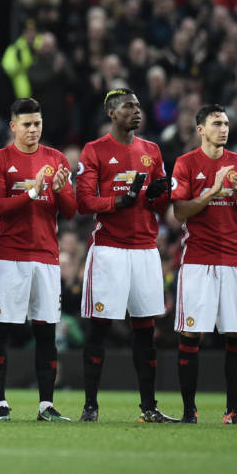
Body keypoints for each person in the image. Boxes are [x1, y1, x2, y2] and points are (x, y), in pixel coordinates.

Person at [76, 88, 177, 423]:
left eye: (138, 106)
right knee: (100, 328)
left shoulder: (152, 150)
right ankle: (90, 406)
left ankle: (149, 407)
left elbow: (159, 203)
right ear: (111, 113)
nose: (136, 111)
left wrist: (160, 195)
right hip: (109, 249)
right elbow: (84, 201)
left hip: (145, 250)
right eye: (129, 106)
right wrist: (119, 201)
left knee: (146, 330)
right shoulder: (94, 150)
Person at [0, 98, 76, 422]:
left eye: (37, 123)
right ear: (13, 126)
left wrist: (60, 190)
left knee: (46, 332)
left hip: (47, 257)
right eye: (27, 124)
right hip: (10, 257)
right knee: (0, 331)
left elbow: (71, 211)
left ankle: (46, 405)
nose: (34, 129)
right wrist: (33, 192)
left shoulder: (56, 159)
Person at [170, 104, 237, 424]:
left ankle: (232, 411)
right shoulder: (186, 163)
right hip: (197, 262)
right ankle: (189, 411)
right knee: (191, 335)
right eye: (217, 123)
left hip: (234, 261)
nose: (224, 129)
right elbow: (180, 212)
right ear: (201, 130)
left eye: (226, 124)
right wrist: (213, 190)